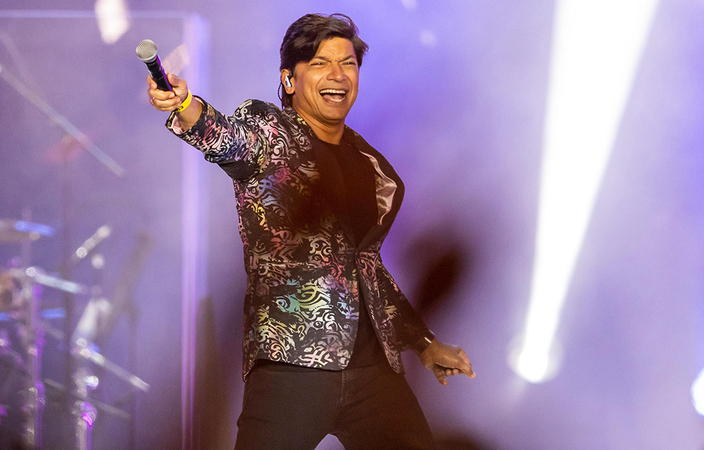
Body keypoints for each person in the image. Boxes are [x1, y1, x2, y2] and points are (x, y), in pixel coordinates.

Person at [147, 13, 475, 449]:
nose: (338, 75)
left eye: (348, 64)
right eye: (321, 63)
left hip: (372, 371)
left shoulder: (370, 166)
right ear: (289, 79)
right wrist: (185, 105)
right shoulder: (271, 133)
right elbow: (226, 137)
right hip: (293, 364)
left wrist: (424, 343)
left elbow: (367, 269)